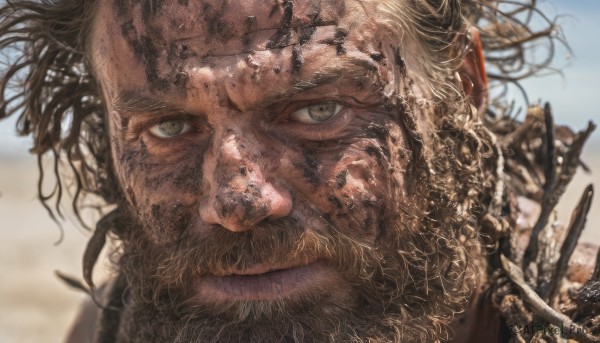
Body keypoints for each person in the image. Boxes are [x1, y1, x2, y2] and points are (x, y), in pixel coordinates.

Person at [0, 0, 598, 342]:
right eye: (167, 127)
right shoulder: (111, 329)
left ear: (462, 89)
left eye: (318, 110)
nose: (237, 203)